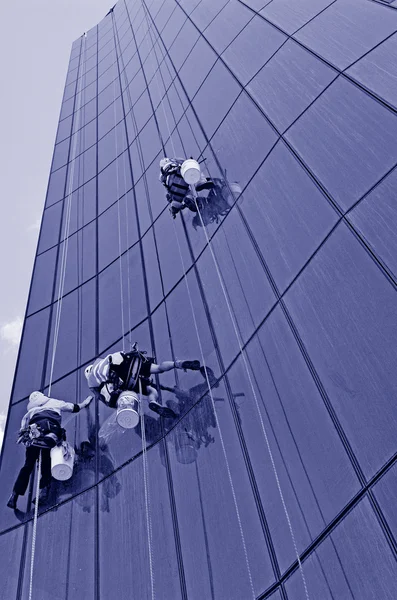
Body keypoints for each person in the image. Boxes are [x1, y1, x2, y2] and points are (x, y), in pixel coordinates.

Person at [7, 391, 92, 510]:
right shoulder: (54, 402)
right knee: (46, 464)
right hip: (50, 432)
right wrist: (85, 402)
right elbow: (73, 407)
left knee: (28, 466)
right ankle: (43, 493)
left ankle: (14, 494)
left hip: (34, 436)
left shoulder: (30, 412)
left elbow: (23, 429)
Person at [85, 344, 201, 419]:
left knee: (151, 391)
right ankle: (179, 364)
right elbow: (120, 356)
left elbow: (107, 399)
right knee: (159, 368)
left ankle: (154, 403)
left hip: (126, 382)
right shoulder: (101, 362)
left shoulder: (94, 381)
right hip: (129, 364)